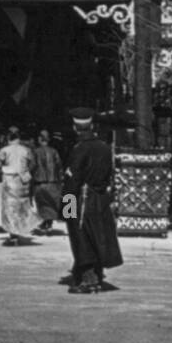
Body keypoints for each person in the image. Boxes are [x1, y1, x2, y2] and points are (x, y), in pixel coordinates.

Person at [64, 107, 123, 294]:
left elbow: (72, 181)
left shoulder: (79, 149)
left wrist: (67, 209)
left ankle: (89, 280)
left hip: (81, 200)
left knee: (81, 238)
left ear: (75, 127)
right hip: (100, 199)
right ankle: (94, 275)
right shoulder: (105, 148)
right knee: (98, 237)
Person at [0, 125, 41, 244]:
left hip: (9, 181)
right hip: (23, 181)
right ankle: (22, 228)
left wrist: (5, 169)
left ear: (8, 138)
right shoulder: (26, 150)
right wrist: (25, 171)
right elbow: (33, 164)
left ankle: (13, 234)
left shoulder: (4, 150)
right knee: (22, 206)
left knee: (9, 208)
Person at [32, 128, 64, 233]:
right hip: (53, 181)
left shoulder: (35, 152)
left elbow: (32, 166)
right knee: (51, 203)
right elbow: (59, 166)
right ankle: (48, 223)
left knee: (42, 203)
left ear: (40, 139)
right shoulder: (54, 151)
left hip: (40, 181)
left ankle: (44, 222)